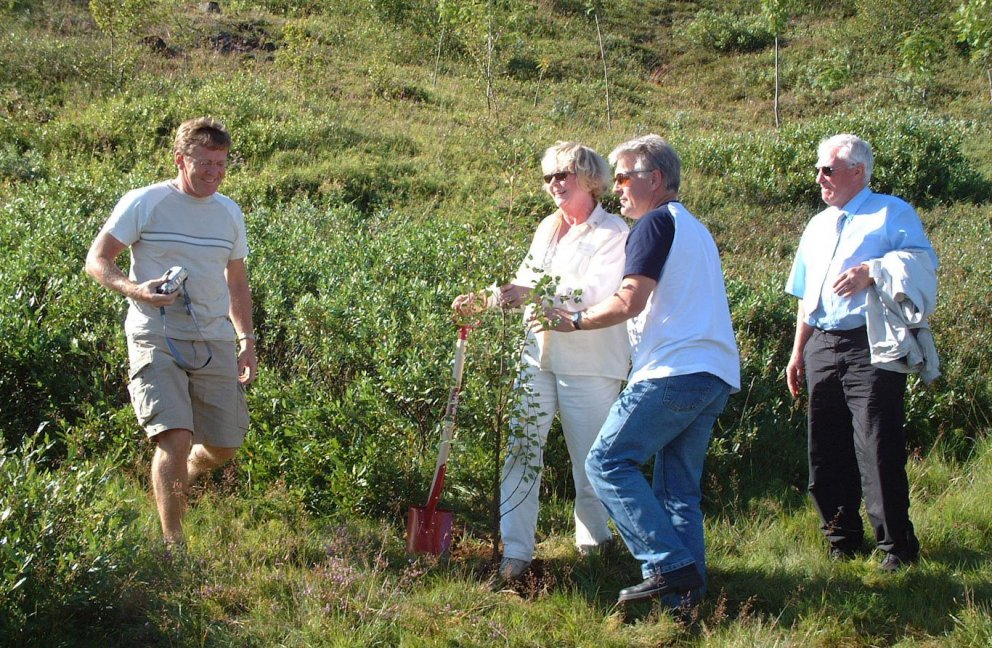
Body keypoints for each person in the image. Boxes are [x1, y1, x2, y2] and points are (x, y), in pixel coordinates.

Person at [548, 134, 739, 605]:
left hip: (672, 371)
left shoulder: (653, 225)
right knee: (679, 494)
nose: (617, 188)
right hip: (713, 374)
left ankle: (666, 565)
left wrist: (574, 321)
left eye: (624, 177)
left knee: (606, 462)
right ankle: (686, 607)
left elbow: (630, 301)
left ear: (655, 179)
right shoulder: (694, 226)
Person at [453, 142, 630, 581]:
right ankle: (516, 552)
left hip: (590, 361)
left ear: (589, 179)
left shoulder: (615, 233)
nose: (553, 185)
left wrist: (535, 295)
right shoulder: (547, 227)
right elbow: (525, 283)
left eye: (562, 175)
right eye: (548, 177)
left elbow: (597, 293)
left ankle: (594, 546)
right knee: (520, 450)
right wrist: (485, 300)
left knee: (588, 459)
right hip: (535, 354)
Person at [85, 116, 257, 548]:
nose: (214, 173)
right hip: (154, 334)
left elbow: (237, 282)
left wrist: (247, 342)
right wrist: (135, 290)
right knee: (175, 437)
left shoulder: (229, 212)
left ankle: (191, 472)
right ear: (181, 160)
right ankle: (173, 547)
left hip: (214, 338)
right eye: (205, 164)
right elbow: (97, 260)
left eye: (222, 164)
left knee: (223, 446)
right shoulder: (146, 202)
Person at [785, 133, 937, 572]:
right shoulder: (816, 225)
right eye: (817, 169)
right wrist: (798, 353)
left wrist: (872, 271)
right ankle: (841, 539)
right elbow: (805, 295)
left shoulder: (891, 212)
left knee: (876, 443)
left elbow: (924, 263)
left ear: (858, 172)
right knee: (825, 445)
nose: (819, 178)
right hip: (822, 345)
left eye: (827, 169)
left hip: (871, 342)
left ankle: (896, 549)